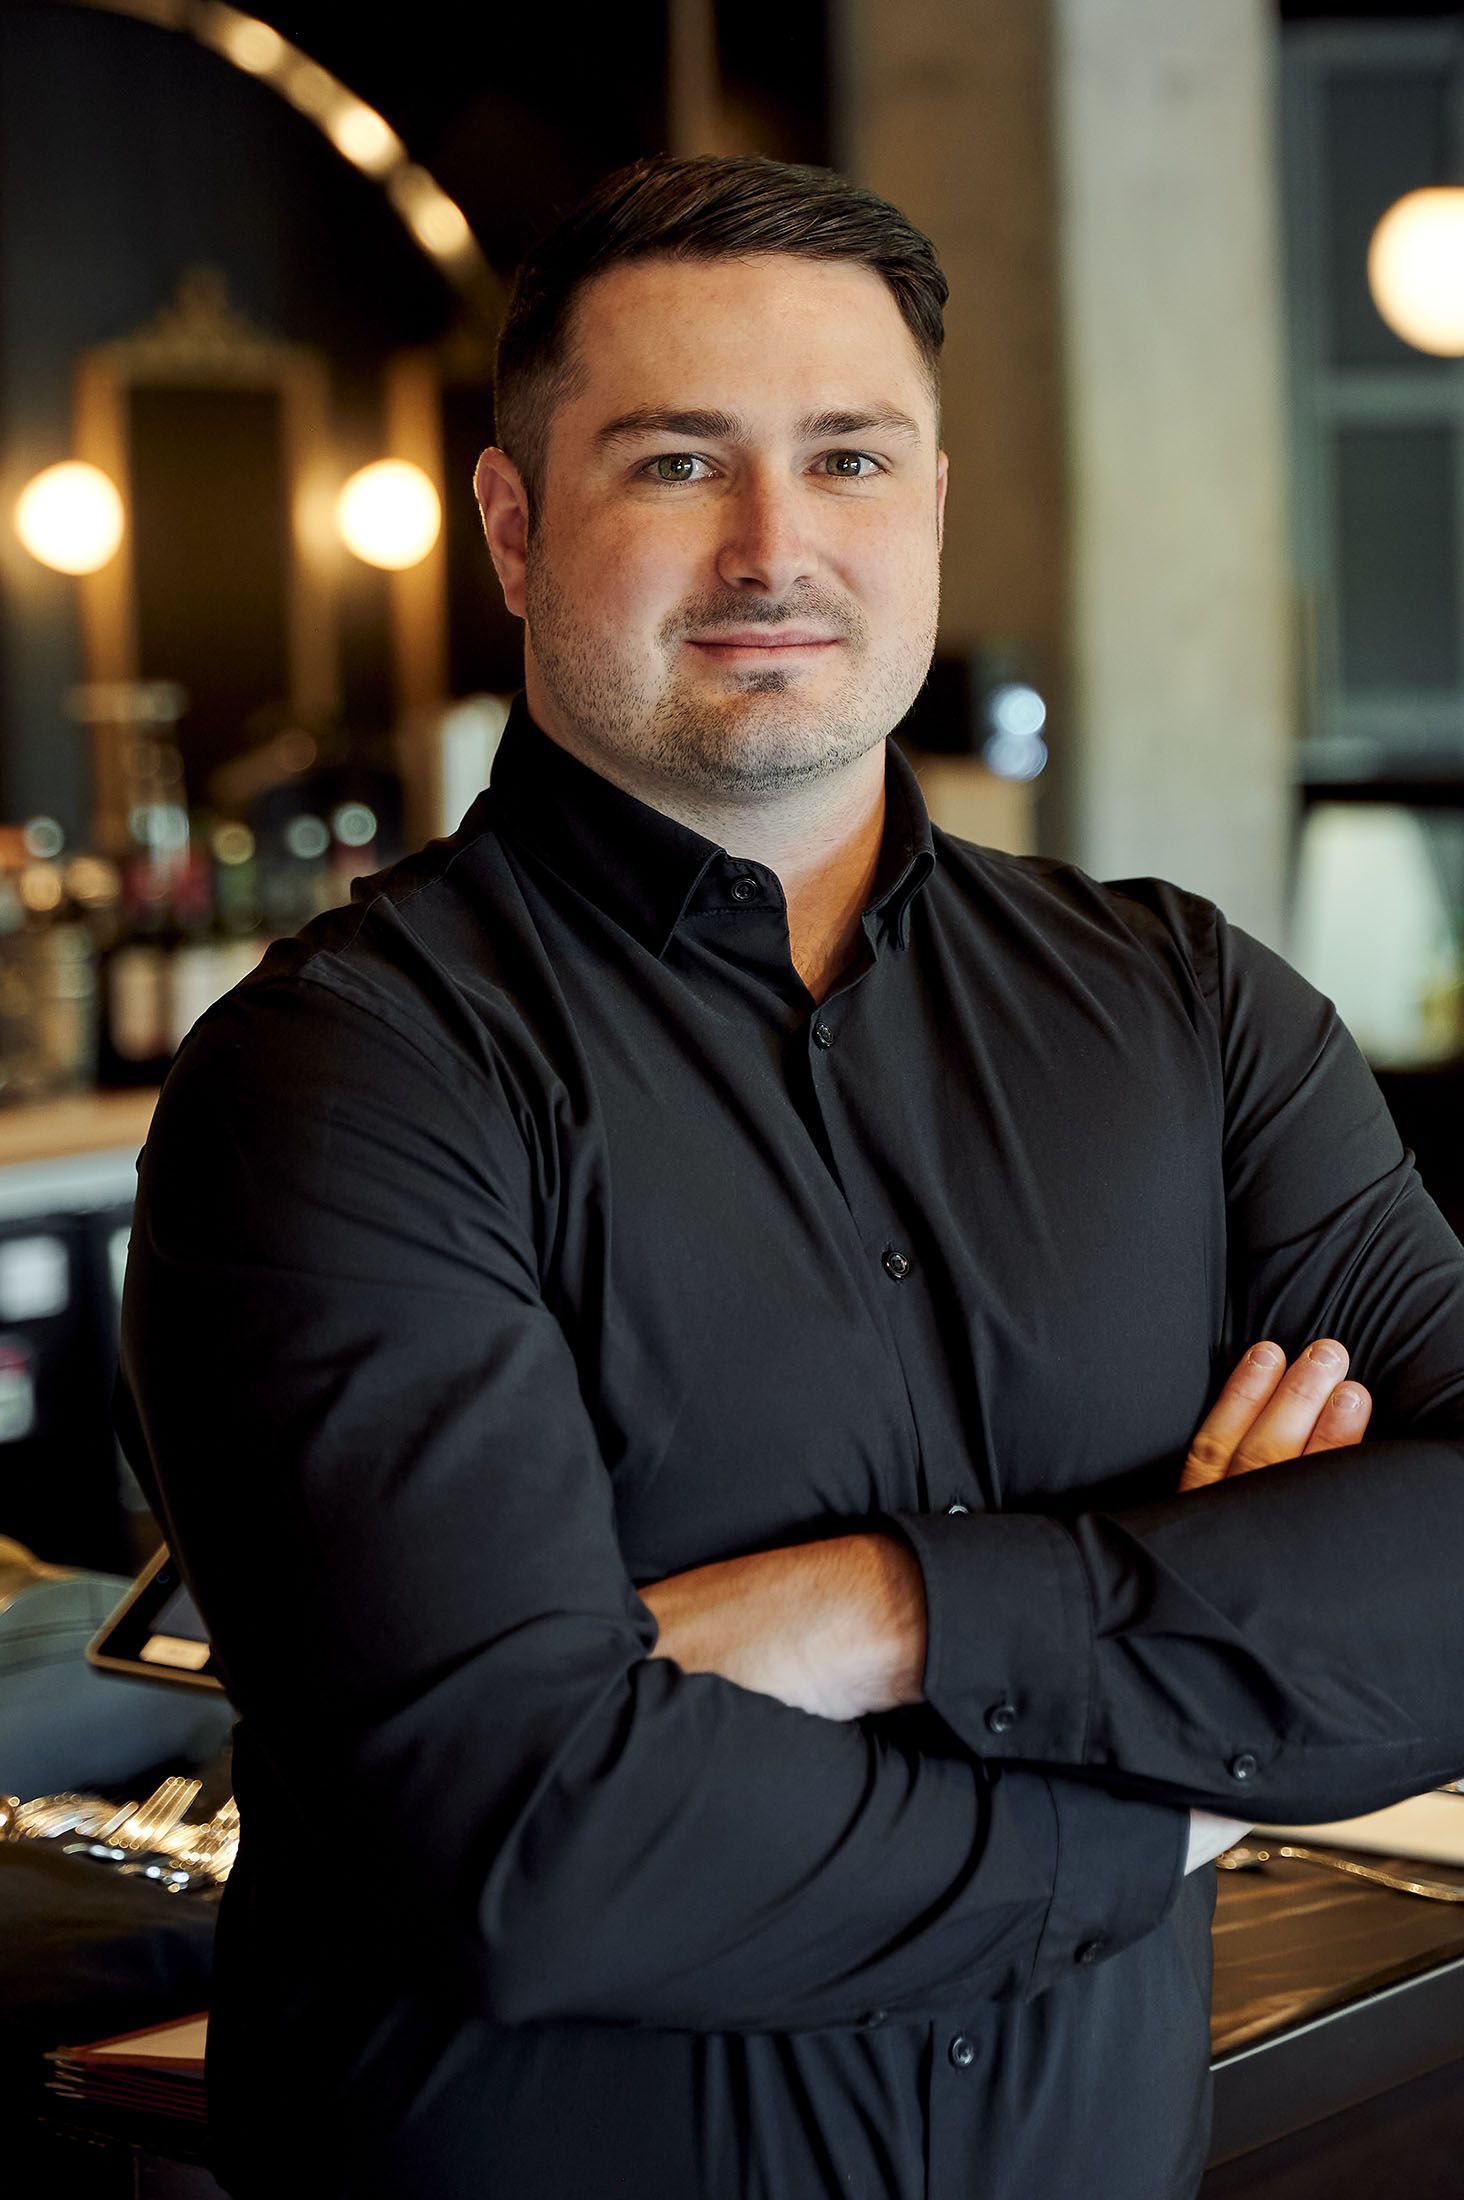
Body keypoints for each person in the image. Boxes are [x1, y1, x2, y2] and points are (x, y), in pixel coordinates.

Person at [115, 153, 1464, 2200]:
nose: (775, 546)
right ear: (513, 520)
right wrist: (1182, 1751)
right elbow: (539, 1845)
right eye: (675, 463)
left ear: (929, 497)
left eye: (849, 456)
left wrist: (901, 1611)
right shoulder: (345, 1078)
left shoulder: (1187, 1009)